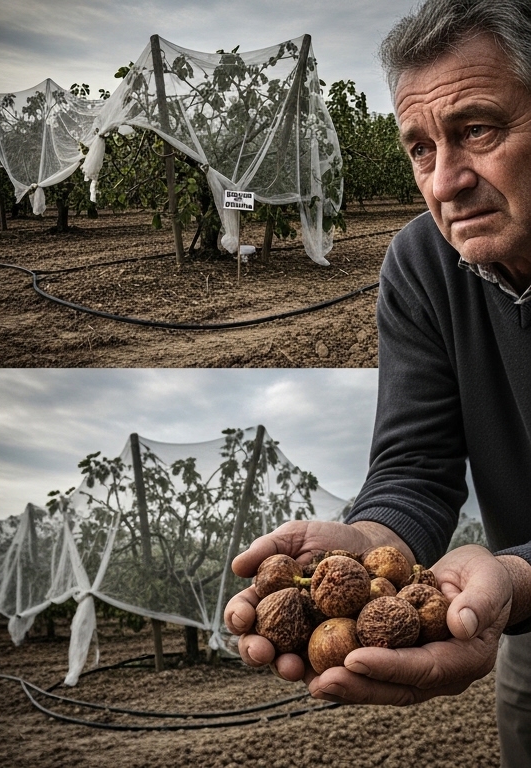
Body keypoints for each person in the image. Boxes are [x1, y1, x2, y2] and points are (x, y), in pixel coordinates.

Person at [223, 0, 531, 760]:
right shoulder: (424, 264)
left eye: (478, 130)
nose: (445, 182)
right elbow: (416, 464)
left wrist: (517, 578)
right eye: (421, 148)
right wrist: (369, 540)